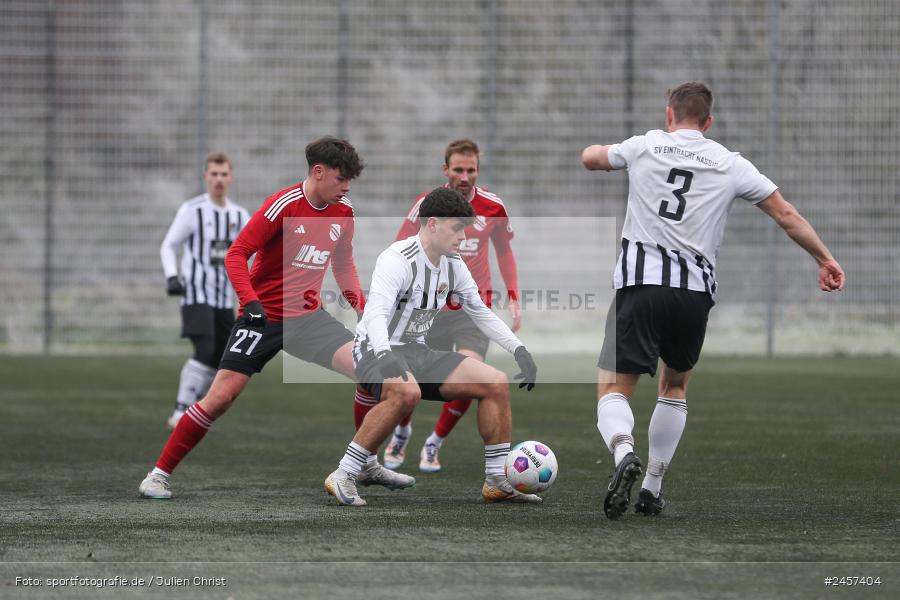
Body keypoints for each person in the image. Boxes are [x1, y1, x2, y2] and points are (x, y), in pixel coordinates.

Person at [581, 81, 845, 520]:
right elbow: (786, 214)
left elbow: (592, 158)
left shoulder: (645, 145)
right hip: (693, 293)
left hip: (641, 286)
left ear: (669, 114)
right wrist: (826, 258)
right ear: (708, 122)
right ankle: (652, 488)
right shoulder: (729, 163)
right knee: (676, 386)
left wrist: (601, 152)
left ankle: (624, 454)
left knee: (613, 388)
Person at [139, 137, 410, 499]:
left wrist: (364, 309)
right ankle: (158, 474)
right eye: (341, 178)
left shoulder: (343, 210)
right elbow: (237, 255)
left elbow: (342, 264)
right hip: (262, 318)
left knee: (372, 374)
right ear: (318, 172)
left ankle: (365, 463)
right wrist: (250, 302)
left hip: (310, 319)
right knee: (221, 397)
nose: (346, 187)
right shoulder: (283, 205)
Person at [323, 187, 540, 507]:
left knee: (495, 382)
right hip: (373, 347)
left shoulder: (453, 264)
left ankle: (496, 481)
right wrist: (383, 354)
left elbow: (479, 311)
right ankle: (344, 473)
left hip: (416, 350)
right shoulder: (397, 258)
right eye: (457, 228)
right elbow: (377, 314)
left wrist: (519, 349)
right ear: (433, 224)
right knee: (406, 393)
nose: (463, 237)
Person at [356, 139, 522, 473]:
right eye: (458, 169)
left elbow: (504, 250)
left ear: (478, 170)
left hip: (470, 309)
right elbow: (402, 248)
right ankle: (400, 431)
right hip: (428, 311)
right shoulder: (427, 206)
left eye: (471, 170)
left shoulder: (492, 206)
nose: (464, 176)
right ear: (445, 170)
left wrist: (514, 296)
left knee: (475, 372)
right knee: (410, 380)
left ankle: (436, 442)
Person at [159, 153, 250, 429]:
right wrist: (172, 276)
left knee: (223, 355)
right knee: (205, 348)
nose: (219, 179)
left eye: (224, 174)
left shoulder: (239, 215)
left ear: (231, 178)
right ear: (206, 177)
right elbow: (168, 245)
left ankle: (197, 406)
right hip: (195, 295)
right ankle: (179, 410)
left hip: (224, 298)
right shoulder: (192, 210)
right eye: (214, 174)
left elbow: (251, 253)